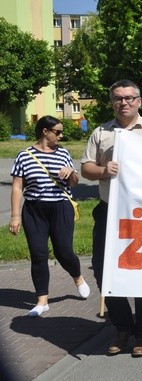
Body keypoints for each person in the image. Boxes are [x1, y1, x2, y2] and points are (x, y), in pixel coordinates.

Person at [81, 79, 142, 357]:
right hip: (110, 210)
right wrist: (104, 170)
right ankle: (122, 326)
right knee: (101, 268)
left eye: (130, 98)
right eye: (118, 98)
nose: (124, 103)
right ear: (112, 102)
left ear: (139, 101)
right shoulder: (101, 132)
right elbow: (85, 168)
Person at [9, 116, 90, 317]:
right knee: (38, 254)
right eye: (58, 132)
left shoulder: (63, 153)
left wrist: (72, 172)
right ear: (45, 132)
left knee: (64, 251)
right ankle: (42, 300)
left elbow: (74, 183)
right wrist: (15, 216)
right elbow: (18, 187)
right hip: (34, 210)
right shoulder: (24, 156)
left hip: (61, 208)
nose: (61, 136)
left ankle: (77, 276)